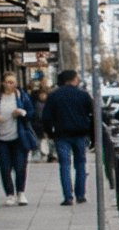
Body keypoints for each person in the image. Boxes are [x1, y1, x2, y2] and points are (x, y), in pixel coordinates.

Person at [41, 68, 97, 206]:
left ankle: (68, 197)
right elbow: (93, 116)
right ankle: (80, 195)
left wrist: (51, 133)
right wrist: (93, 137)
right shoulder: (83, 95)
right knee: (80, 164)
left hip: (61, 135)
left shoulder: (54, 95)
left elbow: (46, 117)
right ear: (73, 79)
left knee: (64, 165)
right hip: (80, 135)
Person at [0, 72, 38, 206]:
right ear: (2, 83)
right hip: (1, 138)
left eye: (14, 82)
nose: (12, 85)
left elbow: (31, 112)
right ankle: (9, 194)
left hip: (19, 137)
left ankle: (21, 193)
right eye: (9, 82)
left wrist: (22, 112)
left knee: (20, 166)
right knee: (5, 167)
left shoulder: (21, 96)